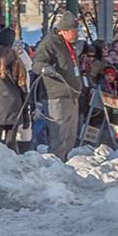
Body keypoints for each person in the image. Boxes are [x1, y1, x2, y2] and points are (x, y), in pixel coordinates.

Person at [32, 12, 83, 160]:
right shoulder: (50, 43)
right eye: (75, 30)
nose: (77, 33)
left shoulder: (68, 45)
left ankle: (65, 164)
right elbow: (37, 63)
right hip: (57, 96)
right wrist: (45, 68)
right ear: (65, 31)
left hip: (72, 95)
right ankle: (56, 167)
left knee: (70, 137)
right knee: (59, 137)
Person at [0, 28, 28, 149]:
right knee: (11, 142)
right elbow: (23, 87)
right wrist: (26, 115)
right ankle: (13, 165)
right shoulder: (17, 61)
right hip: (14, 106)